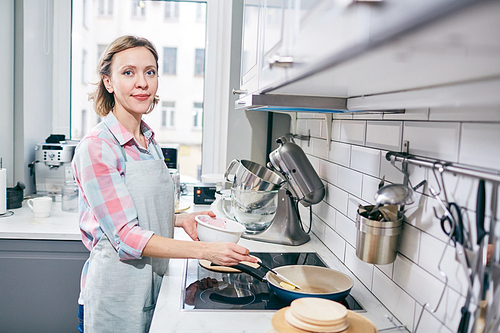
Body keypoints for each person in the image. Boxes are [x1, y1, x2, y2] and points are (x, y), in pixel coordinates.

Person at [72, 35, 257, 333]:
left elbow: (133, 210)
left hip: (152, 286)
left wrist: (182, 219)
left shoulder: (149, 141)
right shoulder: (98, 147)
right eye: (128, 72)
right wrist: (206, 252)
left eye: (150, 72)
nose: (142, 82)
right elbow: (125, 236)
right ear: (108, 82)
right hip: (115, 295)